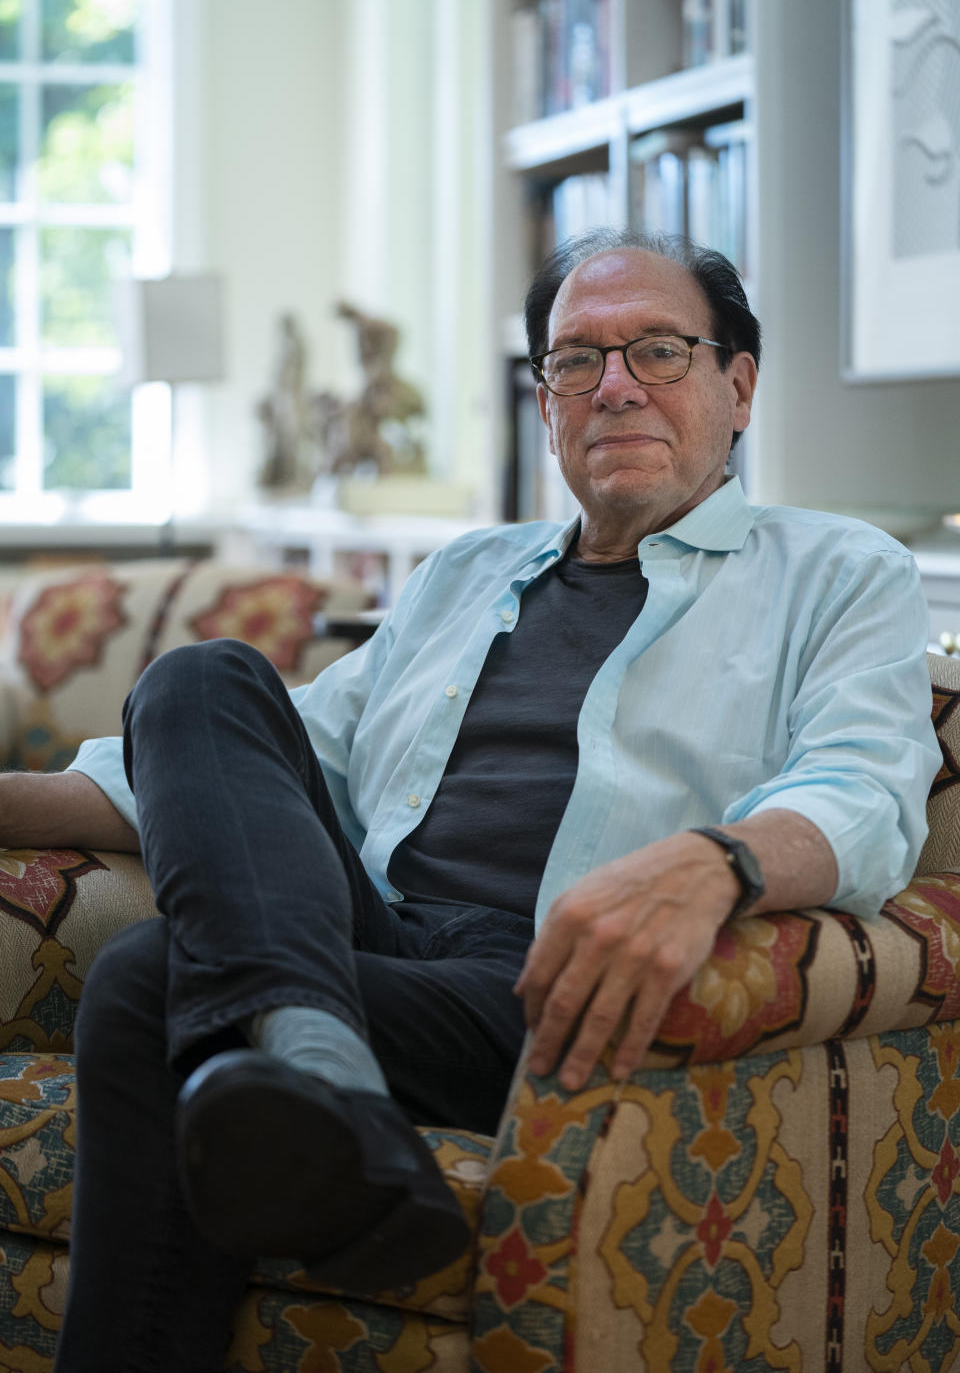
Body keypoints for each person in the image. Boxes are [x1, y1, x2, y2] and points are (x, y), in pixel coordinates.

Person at [0, 230, 940, 1372]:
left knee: (150, 981)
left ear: (736, 386)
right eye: (576, 361)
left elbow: (865, 788)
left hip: (542, 978)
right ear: (545, 402)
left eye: (657, 350)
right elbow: (262, 763)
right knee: (201, 682)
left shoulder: (836, 570)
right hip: (377, 937)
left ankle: (310, 1071)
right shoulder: (467, 573)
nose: (614, 387)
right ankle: (324, 1067)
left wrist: (716, 861)